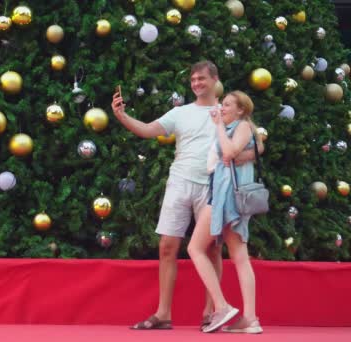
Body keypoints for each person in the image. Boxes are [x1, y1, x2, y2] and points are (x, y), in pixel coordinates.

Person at [111, 61, 260, 330]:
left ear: (215, 80)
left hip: (213, 186)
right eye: (193, 79)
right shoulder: (180, 113)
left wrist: (242, 156)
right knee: (167, 246)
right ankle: (163, 314)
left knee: (212, 249)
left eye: (202, 78)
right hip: (179, 182)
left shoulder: (225, 111)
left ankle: (212, 312)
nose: (196, 83)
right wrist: (122, 116)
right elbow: (146, 130)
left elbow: (255, 142)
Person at [187, 91, 263, 334]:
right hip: (224, 194)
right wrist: (220, 126)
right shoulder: (238, 127)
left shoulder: (240, 126)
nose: (223, 107)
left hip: (226, 197)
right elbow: (245, 150)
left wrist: (219, 125)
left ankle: (221, 306)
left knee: (195, 248)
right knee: (240, 255)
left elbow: (229, 152)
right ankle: (250, 318)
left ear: (241, 110)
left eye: (228, 104)